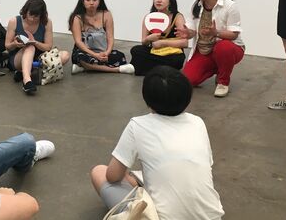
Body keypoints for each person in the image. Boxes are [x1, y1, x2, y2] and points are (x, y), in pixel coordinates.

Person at [90, 66, 224, 220]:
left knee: (99, 172)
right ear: (187, 97)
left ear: (148, 100)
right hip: (211, 217)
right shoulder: (197, 122)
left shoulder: (137, 125)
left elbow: (112, 176)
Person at [176, 0, 245, 98]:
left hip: (228, 49)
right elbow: (192, 30)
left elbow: (234, 35)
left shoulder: (229, 6)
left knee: (224, 47)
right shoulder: (196, 6)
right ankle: (219, 67)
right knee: (188, 80)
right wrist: (187, 33)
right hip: (204, 51)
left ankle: (223, 82)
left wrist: (216, 33)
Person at [5, 0, 70, 94]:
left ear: (41, 16)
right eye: (30, 15)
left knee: (65, 55)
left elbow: (48, 47)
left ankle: (28, 72)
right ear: (26, 11)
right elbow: (7, 46)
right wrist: (15, 44)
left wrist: (35, 42)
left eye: (36, 17)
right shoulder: (14, 21)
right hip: (18, 57)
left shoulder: (47, 22)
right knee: (30, 47)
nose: (32, 19)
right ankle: (27, 80)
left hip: (39, 57)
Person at [68, 0, 134, 75]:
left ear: (99, 1)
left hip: (102, 50)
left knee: (120, 56)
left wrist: (107, 52)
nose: (91, 3)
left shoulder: (106, 14)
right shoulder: (77, 18)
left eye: (94, 0)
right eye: (88, 0)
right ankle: (117, 69)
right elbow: (78, 42)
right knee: (82, 58)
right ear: (82, 2)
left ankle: (85, 68)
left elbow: (110, 37)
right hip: (85, 51)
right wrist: (95, 55)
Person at [129, 0, 187, 76]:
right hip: (155, 52)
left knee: (176, 60)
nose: (159, 0)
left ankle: (147, 68)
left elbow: (185, 43)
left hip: (171, 53)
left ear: (170, 0)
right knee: (135, 50)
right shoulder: (149, 17)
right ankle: (163, 70)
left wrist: (163, 43)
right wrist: (149, 38)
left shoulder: (177, 17)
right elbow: (143, 42)